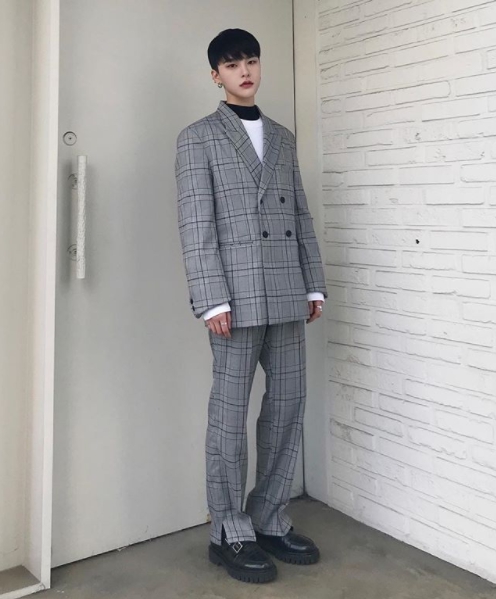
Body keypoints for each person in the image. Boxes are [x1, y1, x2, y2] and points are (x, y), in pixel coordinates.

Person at [175, 28, 328, 584]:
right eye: (232, 63)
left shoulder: (283, 137)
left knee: (287, 407)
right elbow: (196, 224)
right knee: (229, 415)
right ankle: (228, 531)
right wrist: (210, 297)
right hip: (234, 299)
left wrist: (313, 284)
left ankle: (269, 517)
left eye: (251, 61)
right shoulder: (198, 138)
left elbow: (300, 215)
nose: (245, 71)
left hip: (286, 290)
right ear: (215, 74)